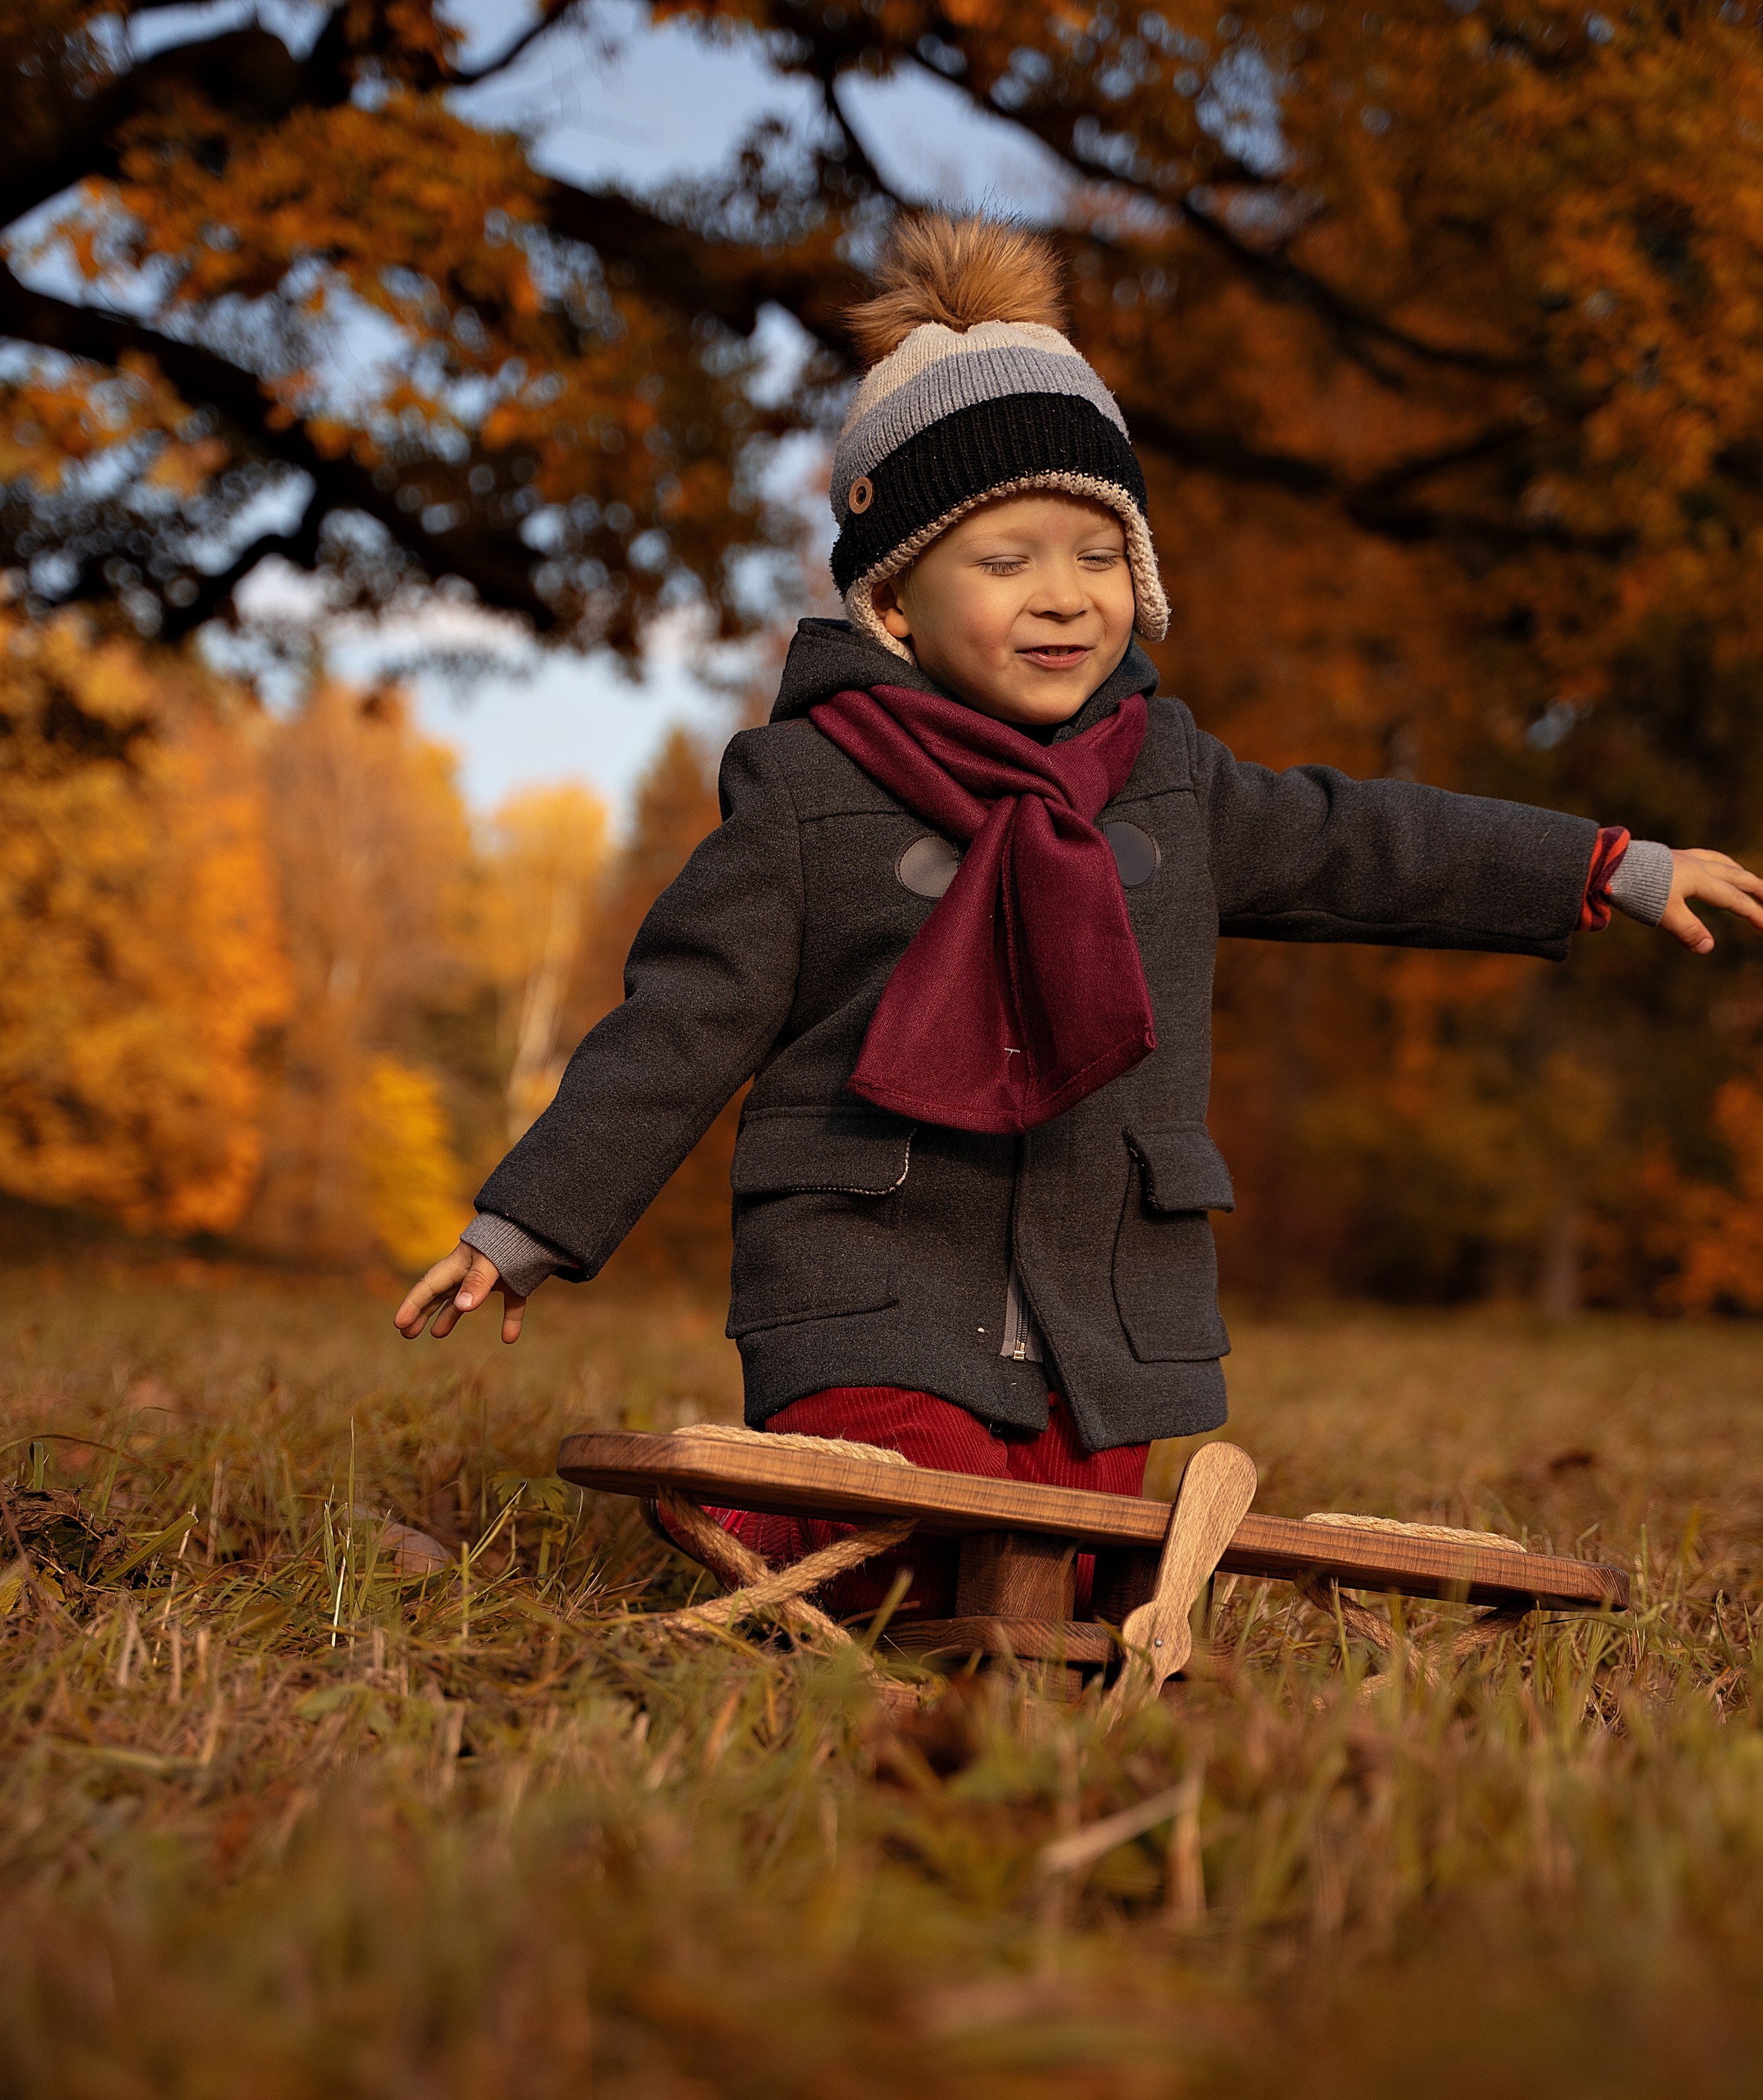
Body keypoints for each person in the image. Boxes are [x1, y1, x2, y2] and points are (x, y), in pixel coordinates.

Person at [395, 212, 1763, 1623]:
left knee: (1073, 1558)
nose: (1064, 599)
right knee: (911, 1504)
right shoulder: (808, 789)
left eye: (1099, 556)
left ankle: (1028, 1591)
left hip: (1099, 1306)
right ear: (895, 602)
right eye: (1006, 562)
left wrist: (1602, 864)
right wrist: (527, 1223)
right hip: (875, 1282)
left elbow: (1367, 843)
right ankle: (776, 1515)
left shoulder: (1169, 779)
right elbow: (681, 1023)